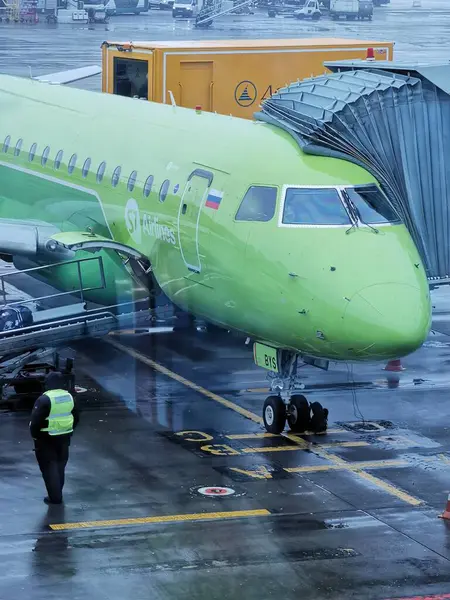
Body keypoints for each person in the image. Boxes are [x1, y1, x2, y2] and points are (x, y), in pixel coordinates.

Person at [29, 371, 79, 505]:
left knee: (49, 468)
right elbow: (76, 417)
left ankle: (55, 498)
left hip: (46, 439)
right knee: (60, 466)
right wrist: (68, 430)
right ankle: (57, 494)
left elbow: (35, 421)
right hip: (64, 438)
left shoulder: (45, 399)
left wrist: (35, 436)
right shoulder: (69, 397)